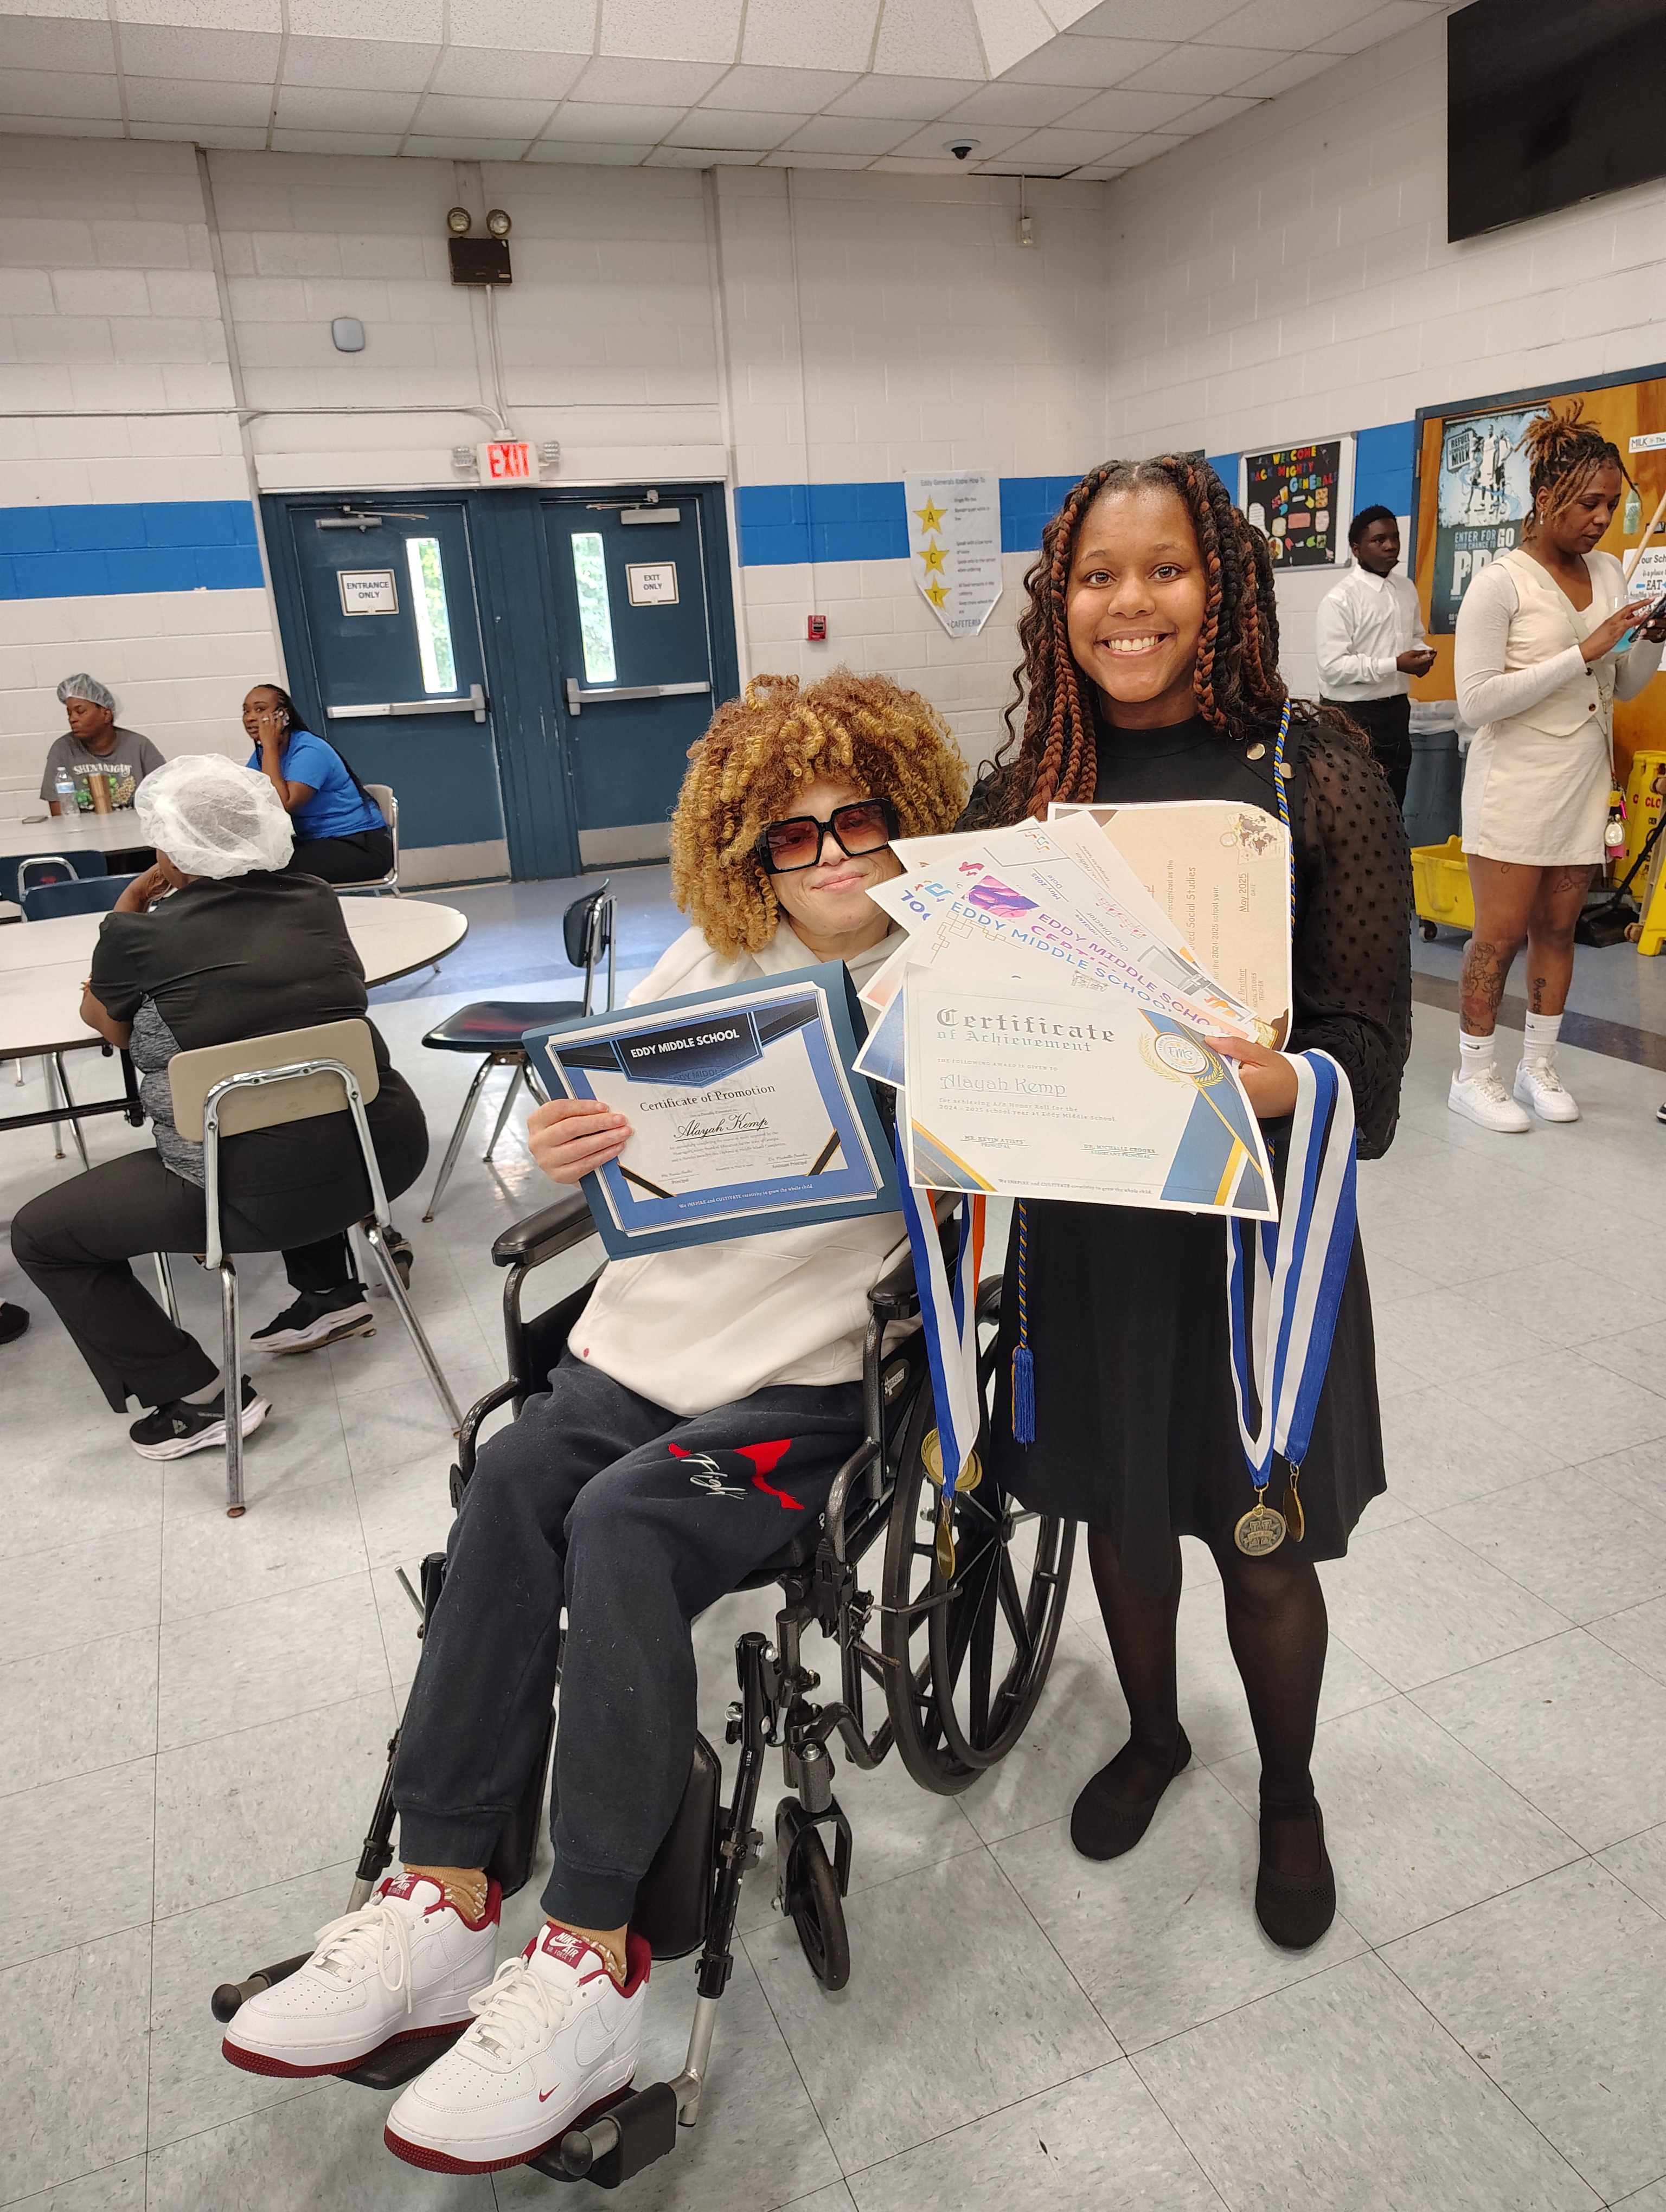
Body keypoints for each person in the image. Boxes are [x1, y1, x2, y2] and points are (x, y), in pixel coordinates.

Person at [217, 671, 968, 2176]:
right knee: (510, 1479)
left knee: (624, 1521)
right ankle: (440, 1900)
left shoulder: (956, 981)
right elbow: (581, 1149)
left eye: (861, 821)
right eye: (791, 835)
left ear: (915, 818)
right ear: (745, 856)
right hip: (639, 1346)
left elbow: (1016, 1195)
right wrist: (552, 1150)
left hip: (804, 1383)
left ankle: (591, 1966)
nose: (830, 856)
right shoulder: (713, 956)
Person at [962, 455, 1410, 1951]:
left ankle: (1287, 1791)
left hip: (1248, 1242)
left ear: (1219, 583)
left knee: (1260, 1536)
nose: (1129, 603)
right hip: (1091, 1230)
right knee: (1121, 1509)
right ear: (1061, 598)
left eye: (1165, 568)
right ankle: (1153, 1733)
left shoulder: (1310, 766)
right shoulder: (1024, 792)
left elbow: (1369, 1052)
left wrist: (1285, 1081)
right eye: (1098, 575)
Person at [10, 755, 427, 1461]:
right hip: (382, 1153)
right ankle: (331, 1293)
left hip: (257, 1195)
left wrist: (126, 906)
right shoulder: (315, 899)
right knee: (284, 1093)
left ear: (169, 849)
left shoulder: (137, 936)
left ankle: (196, 1399)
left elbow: (108, 1027)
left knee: (42, 1235)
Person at [1451, 403, 1666, 1132]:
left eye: (1610, 504)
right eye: (1588, 503)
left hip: (1582, 783)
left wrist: (1649, 642)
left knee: (1557, 929)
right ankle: (1473, 1073)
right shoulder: (1501, 583)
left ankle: (1537, 1064)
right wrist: (1583, 650)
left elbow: (1623, 686)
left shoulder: (1608, 571)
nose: (1602, 519)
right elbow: (1477, 702)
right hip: (1514, 786)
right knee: (1499, 935)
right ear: (1545, 499)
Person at [1314, 505, 1436, 808]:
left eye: (1395, 538)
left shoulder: (1406, 589)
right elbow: (1333, 668)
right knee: (1351, 808)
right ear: (1356, 549)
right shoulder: (1340, 600)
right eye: (1379, 540)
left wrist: (1421, 655)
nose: (1391, 546)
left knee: (1393, 803)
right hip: (1350, 716)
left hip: (1396, 713)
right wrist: (1395, 664)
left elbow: (1415, 635)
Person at [242, 684, 393, 883]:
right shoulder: (263, 755)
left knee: (264, 874)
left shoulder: (309, 750)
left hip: (358, 845)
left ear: (283, 716)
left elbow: (284, 804)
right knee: (244, 865)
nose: (250, 718)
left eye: (260, 709)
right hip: (318, 842)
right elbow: (246, 796)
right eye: (246, 711)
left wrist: (269, 745)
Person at [41, 674, 164, 815]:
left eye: (80, 712)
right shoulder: (63, 749)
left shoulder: (139, 746)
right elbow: (60, 816)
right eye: (69, 713)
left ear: (106, 714)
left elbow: (166, 798)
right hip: (83, 829)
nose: (72, 719)